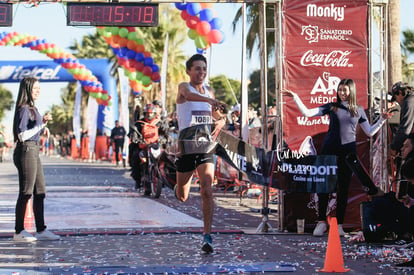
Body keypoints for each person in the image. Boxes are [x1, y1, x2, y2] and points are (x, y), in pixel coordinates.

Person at [284, 78, 393, 236]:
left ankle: (339, 225)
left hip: (348, 154)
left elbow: (369, 132)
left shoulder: (358, 110)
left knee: (343, 189)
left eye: (345, 90)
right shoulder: (332, 106)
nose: (342, 93)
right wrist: (295, 97)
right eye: (340, 90)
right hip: (329, 151)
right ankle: (321, 222)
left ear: (351, 91)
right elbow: (307, 113)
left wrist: (382, 120)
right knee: (324, 187)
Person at [174, 54, 226, 253]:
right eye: (197, 69)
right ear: (188, 71)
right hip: (186, 148)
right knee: (182, 196)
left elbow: (217, 114)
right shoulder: (183, 88)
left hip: (205, 147)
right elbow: (189, 97)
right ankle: (179, 187)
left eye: (204, 69)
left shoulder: (208, 91)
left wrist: (221, 120)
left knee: (207, 189)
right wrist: (211, 99)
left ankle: (207, 236)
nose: (201, 73)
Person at [12, 77, 60, 242]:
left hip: (33, 150)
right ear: (27, 90)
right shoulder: (24, 108)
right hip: (26, 150)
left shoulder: (33, 108)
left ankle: (41, 229)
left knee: (40, 191)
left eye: (39, 88)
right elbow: (21, 135)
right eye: (35, 89)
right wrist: (41, 126)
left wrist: (42, 129)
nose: (38, 91)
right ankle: (19, 231)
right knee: (26, 192)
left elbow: (32, 131)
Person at [128, 103, 168, 191]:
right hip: (143, 146)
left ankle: (165, 179)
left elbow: (165, 132)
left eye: (150, 113)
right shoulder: (139, 123)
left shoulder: (158, 123)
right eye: (147, 113)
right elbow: (133, 132)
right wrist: (134, 137)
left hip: (156, 146)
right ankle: (137, 180)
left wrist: (164, 138)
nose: (149, 115)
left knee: (166, 159)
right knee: (135, 157)